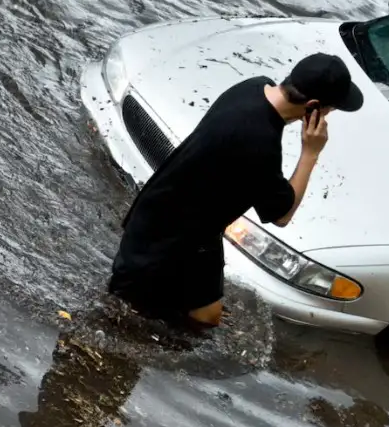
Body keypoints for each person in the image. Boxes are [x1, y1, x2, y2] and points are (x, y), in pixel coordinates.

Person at [107, 52, 363, 329]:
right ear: (313, 106)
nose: (327, 116)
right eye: (329, 110)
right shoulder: (259, 142)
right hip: (165, 243)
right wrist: (310, 153)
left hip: (181, 222)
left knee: (206, 316)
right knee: (126, 316)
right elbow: (282, 215)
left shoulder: (253, 87)